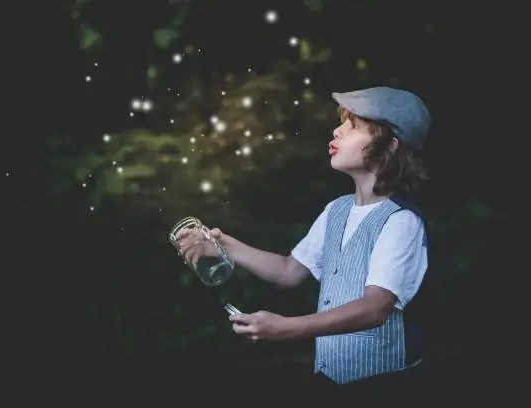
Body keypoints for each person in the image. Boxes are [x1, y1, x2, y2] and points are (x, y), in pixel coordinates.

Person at [176, 86, 432, 402]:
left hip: (385, 389)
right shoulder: (336, 210)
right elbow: (290, 270)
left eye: (352, 127)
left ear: (389, 146)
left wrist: (285, 328)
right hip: (331, 385)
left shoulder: (401, 221)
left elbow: (374, 308)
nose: (337, 130)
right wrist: (224, 245)